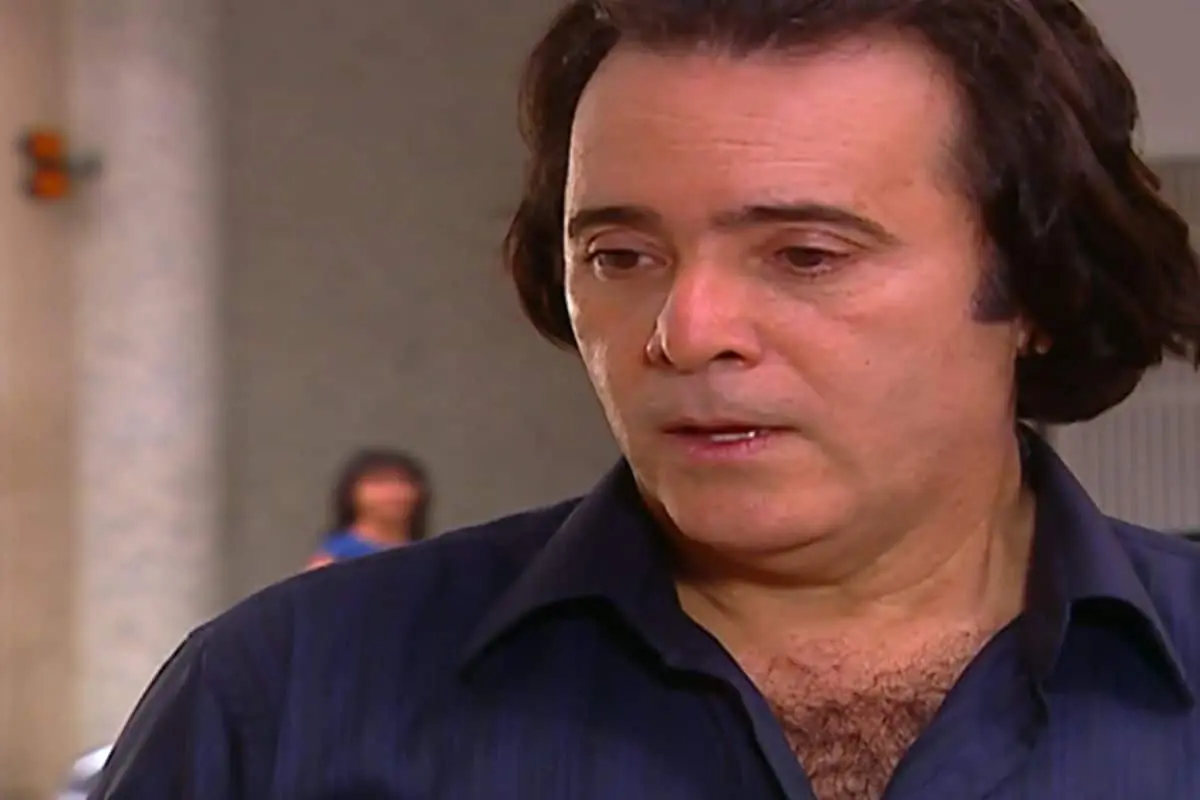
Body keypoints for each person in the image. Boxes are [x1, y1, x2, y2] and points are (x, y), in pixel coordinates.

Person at [94, 1, 1200, 798]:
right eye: (621, 256)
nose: (686, 329)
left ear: (1034, 287)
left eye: (805, 255)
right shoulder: (284, 703)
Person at [305, 448, 432, 570]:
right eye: (380, 482)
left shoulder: (429, 557)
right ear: (352, 492)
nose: (394, 492)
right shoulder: (334, 561)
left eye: (403, 482)